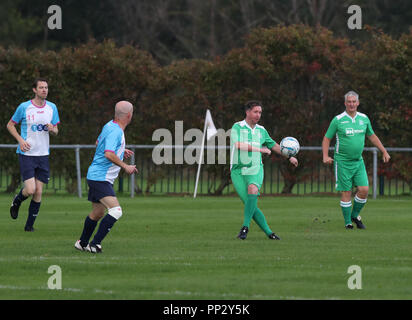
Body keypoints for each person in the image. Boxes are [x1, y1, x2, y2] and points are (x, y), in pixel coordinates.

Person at [74, 101, 138, 253]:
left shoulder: (109, 125)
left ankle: (82, 243)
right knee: (116, 210)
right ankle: (94, 244)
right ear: (129, 116)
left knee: (97, 213)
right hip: (99, 178)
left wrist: (121, 150)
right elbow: (108, 153)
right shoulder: (116, 131)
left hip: (97, 176)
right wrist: (125, 166)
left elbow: (99, 143)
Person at [230, 100, 298, 240]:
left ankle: (245, 227)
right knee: (250, 204)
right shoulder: (237, 127)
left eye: (260, 112)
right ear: (247, 112)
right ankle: (269, 233)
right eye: (255, 112)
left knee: (253, 190)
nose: (258, 115)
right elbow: (238, 145)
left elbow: (274, 146)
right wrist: (259, 149)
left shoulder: (262, 130)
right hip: (237, 171)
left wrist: (289, 155)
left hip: (255, 169)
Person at [322, 91, 390, 229]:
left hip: (358, 161)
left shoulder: (364, 119)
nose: (352, 104)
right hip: (342, 162)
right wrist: (325, 156)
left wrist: (384, 151)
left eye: (354, 101)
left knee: (364, 189)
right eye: (349, 102)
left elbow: (372, 136)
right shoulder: (338, 120)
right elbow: (327, 138)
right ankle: (348, 223)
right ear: (345, 103)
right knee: (346, 192)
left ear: (358, 103)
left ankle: (354, 215)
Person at [7, 78, 60, 231]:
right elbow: (10, 125)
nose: (44, 90)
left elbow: (56, 130)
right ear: (34, 90)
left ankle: (29, 227)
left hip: (43, 155)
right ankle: (16, 201)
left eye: (46, 87)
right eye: (41, 87)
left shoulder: (52, 107)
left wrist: (53, 129)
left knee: (38, 191)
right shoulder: (24, 107)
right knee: (30, 190)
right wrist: (20, 140)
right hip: (27, 154)